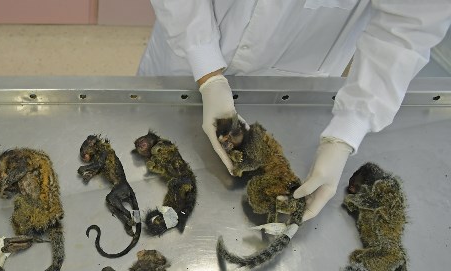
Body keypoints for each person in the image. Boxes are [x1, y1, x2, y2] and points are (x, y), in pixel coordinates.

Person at [138, 1, 451, 221]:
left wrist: (349, 129)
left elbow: (407, 29)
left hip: (296, 77)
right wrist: (206, 70)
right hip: (186, 49)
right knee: (144, 168)